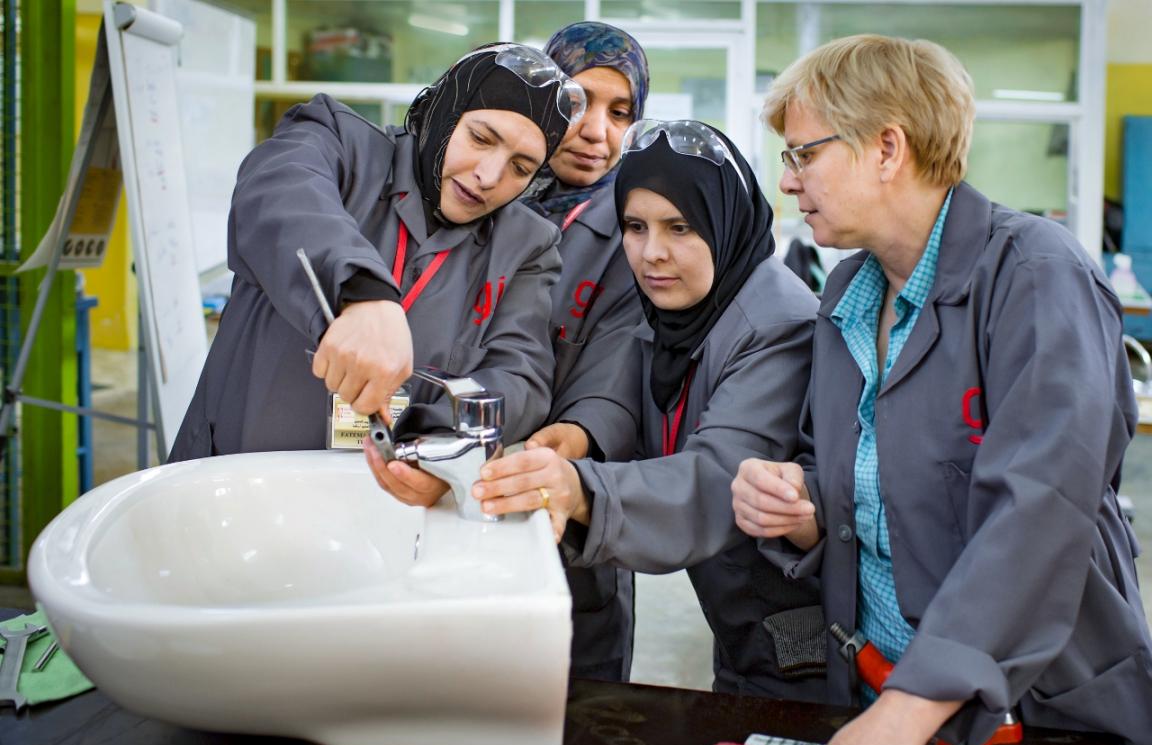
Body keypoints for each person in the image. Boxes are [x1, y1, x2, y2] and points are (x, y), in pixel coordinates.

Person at [732, 34, 1152, 745]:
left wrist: (906, 714)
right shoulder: (848, 295)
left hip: (1030, 713)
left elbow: (1040, 507)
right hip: (877, 692)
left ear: (887, 149)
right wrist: (802, 506)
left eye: (803, 154)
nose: (789, 181)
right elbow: (856, 476)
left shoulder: (1035, 275)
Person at [471, 120, 828, 700]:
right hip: (739, 623)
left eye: (680, 227)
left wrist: (578, 489)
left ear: (724, 221)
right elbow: (627, 395)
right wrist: (580, 435)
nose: (651, 253)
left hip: (803, 638)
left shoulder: (779, 327)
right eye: (634, 227)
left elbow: (717, 480)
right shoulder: (678, 309)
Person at [169, 44, 583, 467]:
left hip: (383, 496)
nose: (488, 176)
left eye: (520, 167)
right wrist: (361, 291)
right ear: (442, 110)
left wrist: (436, 447)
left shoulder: (526, 246)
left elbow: (519, 377)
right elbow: (280, 191)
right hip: (233, 476)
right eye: (479, 138)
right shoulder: (338, 141)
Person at [519, 21, 649, 683]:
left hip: (576, 506)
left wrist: (580, 433)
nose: (597, 131)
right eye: (577, 101)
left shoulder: (641, 229)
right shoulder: (481, 196)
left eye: (620, 112)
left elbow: (632, 365)